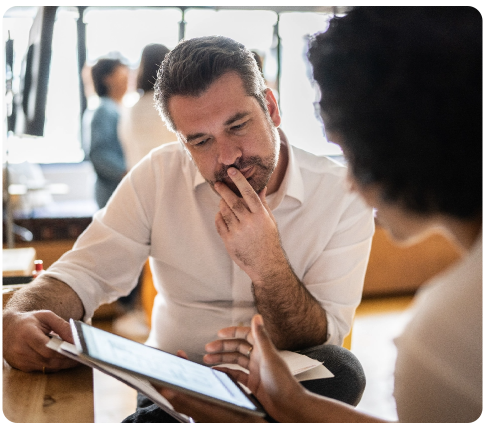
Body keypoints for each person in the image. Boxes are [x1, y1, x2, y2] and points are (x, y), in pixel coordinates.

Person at [2, 35, 374, 419]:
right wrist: (15, 317)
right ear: (182, 140)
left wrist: (267, 264)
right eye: (201, 141)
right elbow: (80, 274)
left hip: (282, 382)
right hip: (177, 380)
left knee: (342, 369)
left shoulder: (342, 193)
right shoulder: (158, 175)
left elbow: (321, 337)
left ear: (272, 107)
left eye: (238, 125)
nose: (228, 157)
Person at [156, 7, 482, 423]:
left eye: (353, 156)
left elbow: (327, 335)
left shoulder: (442, 342)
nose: (349, 182)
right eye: (200, 140)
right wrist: (293, 406)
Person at [118, 43, 177, 170]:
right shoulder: (172, 104)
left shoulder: (131, 108)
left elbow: (127, 147)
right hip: (171, 175)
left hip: (139, 178)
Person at [88, 57, 128, 208]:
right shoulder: (104, 110)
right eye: (122, 73)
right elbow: (99, 154)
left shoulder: (118, 108)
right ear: (107, 79)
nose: (127, 77)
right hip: (111, 191)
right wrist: (127, 173)